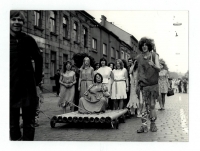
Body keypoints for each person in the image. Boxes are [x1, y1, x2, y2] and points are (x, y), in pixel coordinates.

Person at [10, 11, 43, 140]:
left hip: (28, 88)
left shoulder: (28, 40)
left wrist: (37, 81)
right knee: (12, 124)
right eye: (14, 19)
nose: (17, 22)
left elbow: (38, 59)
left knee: (29, 123)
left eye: (20, 20)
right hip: (10, 88)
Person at [136, 37, 160, 133]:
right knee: (142, 106)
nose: (144, 47)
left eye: (146, 45)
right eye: (143, 45)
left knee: (152, 105)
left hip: (153, 85)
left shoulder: (154, 55)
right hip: (143, 85)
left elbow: (158, 69)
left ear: (149, 46)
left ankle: (153, 125)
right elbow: (136, 71)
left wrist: (153, 64)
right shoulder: (138, 58)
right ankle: (144, 126)